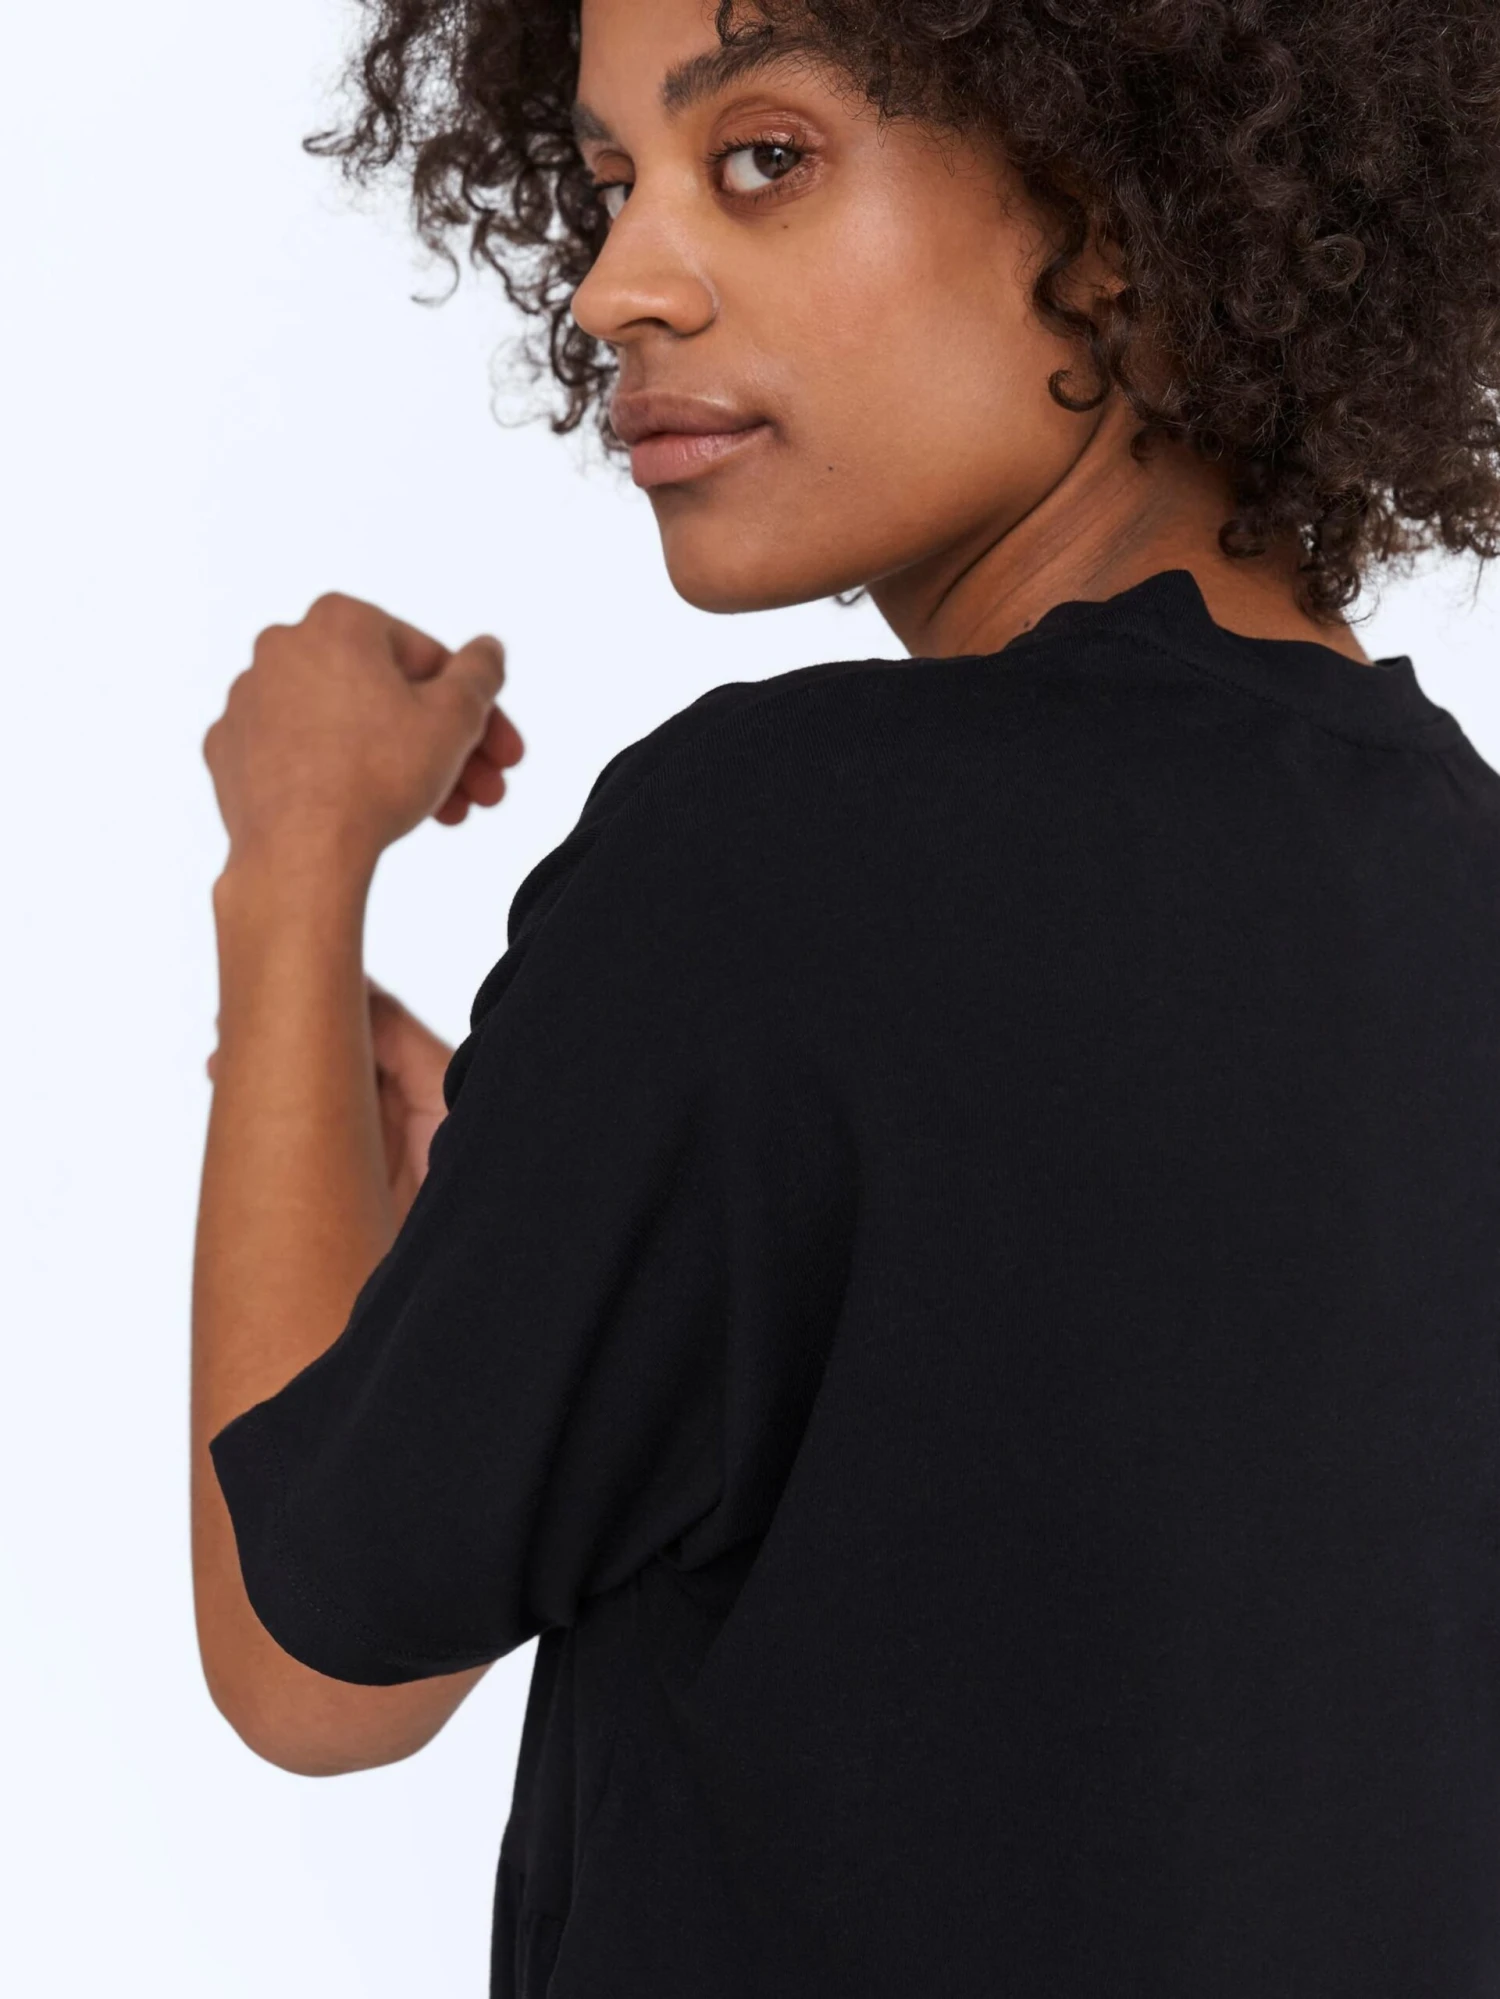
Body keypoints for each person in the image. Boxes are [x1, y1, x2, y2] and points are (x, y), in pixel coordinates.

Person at [192, 1, 1500, 1993]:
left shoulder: (779, 854)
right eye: (610, 181)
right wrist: (566, 1197)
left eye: (764, 159)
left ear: (1110, 207)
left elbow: (316, 1668)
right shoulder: (1455, 881)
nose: (616, 287)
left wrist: (291, 873)